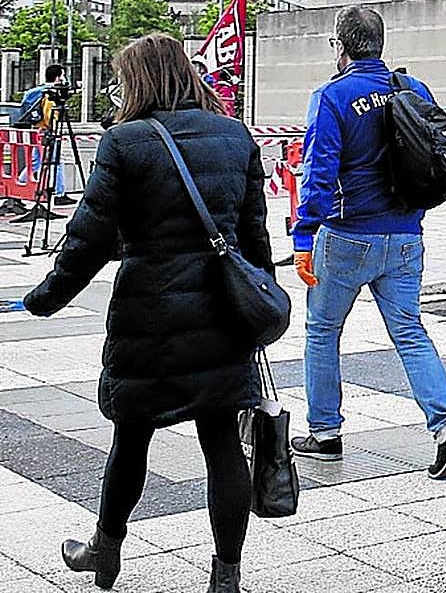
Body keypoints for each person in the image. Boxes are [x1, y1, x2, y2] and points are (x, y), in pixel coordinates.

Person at [23, 34, 269, 593]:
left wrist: (45, 298)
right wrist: (259, 312)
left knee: (131, 439)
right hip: (224, 317)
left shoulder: (125, 142)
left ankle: (104, 551)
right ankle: (226, 577)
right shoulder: (235, 136)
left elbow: (87, 239)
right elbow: (254, 237)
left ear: (139, 80)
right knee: (223, 445)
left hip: (150, 317)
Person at [290, 6, 446, 479]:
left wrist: (304, 234)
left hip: (348, 237)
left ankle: (325, 432)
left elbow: (319, 172)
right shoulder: (412, 89)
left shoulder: (333, 96)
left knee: (323, 331)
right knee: (410, 333)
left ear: (340, 46)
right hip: (407, 235)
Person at [15, 64, 73, 205]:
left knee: (36, 163)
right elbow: (49, 114)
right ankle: (60, 194)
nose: (64, 79)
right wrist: (53, 127)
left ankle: (17, 189)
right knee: (55, 162)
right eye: (63, 75)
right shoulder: (50, 93)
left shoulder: (40, 90)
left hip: (38, 130)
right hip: (47, 132)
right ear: (58, 77)